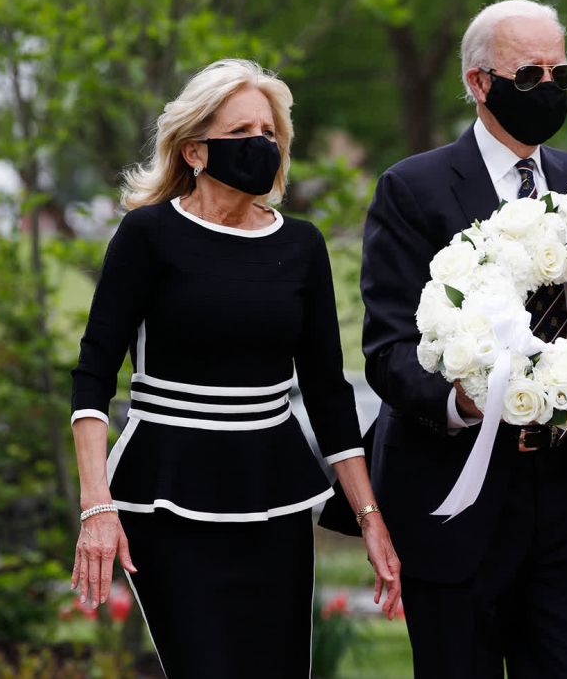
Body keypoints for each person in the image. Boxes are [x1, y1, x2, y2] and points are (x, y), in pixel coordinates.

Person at [344, 0, 567, 678]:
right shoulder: (412, 190)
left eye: (561, 74)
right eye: (528, 76)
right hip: (459, 490)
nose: (548, 90)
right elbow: (389, 353)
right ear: (479, 82)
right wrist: (469, 399)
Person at [68, 59, 400, 679]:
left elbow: (329, 395)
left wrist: (371, 519)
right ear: (195, 150)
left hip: (273, 494)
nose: (262, 145)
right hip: (165, 493)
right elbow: (92, 377)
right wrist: (97, 508)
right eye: (243, 132)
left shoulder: (302, 245)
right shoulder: (148, 236)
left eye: (270, 133)